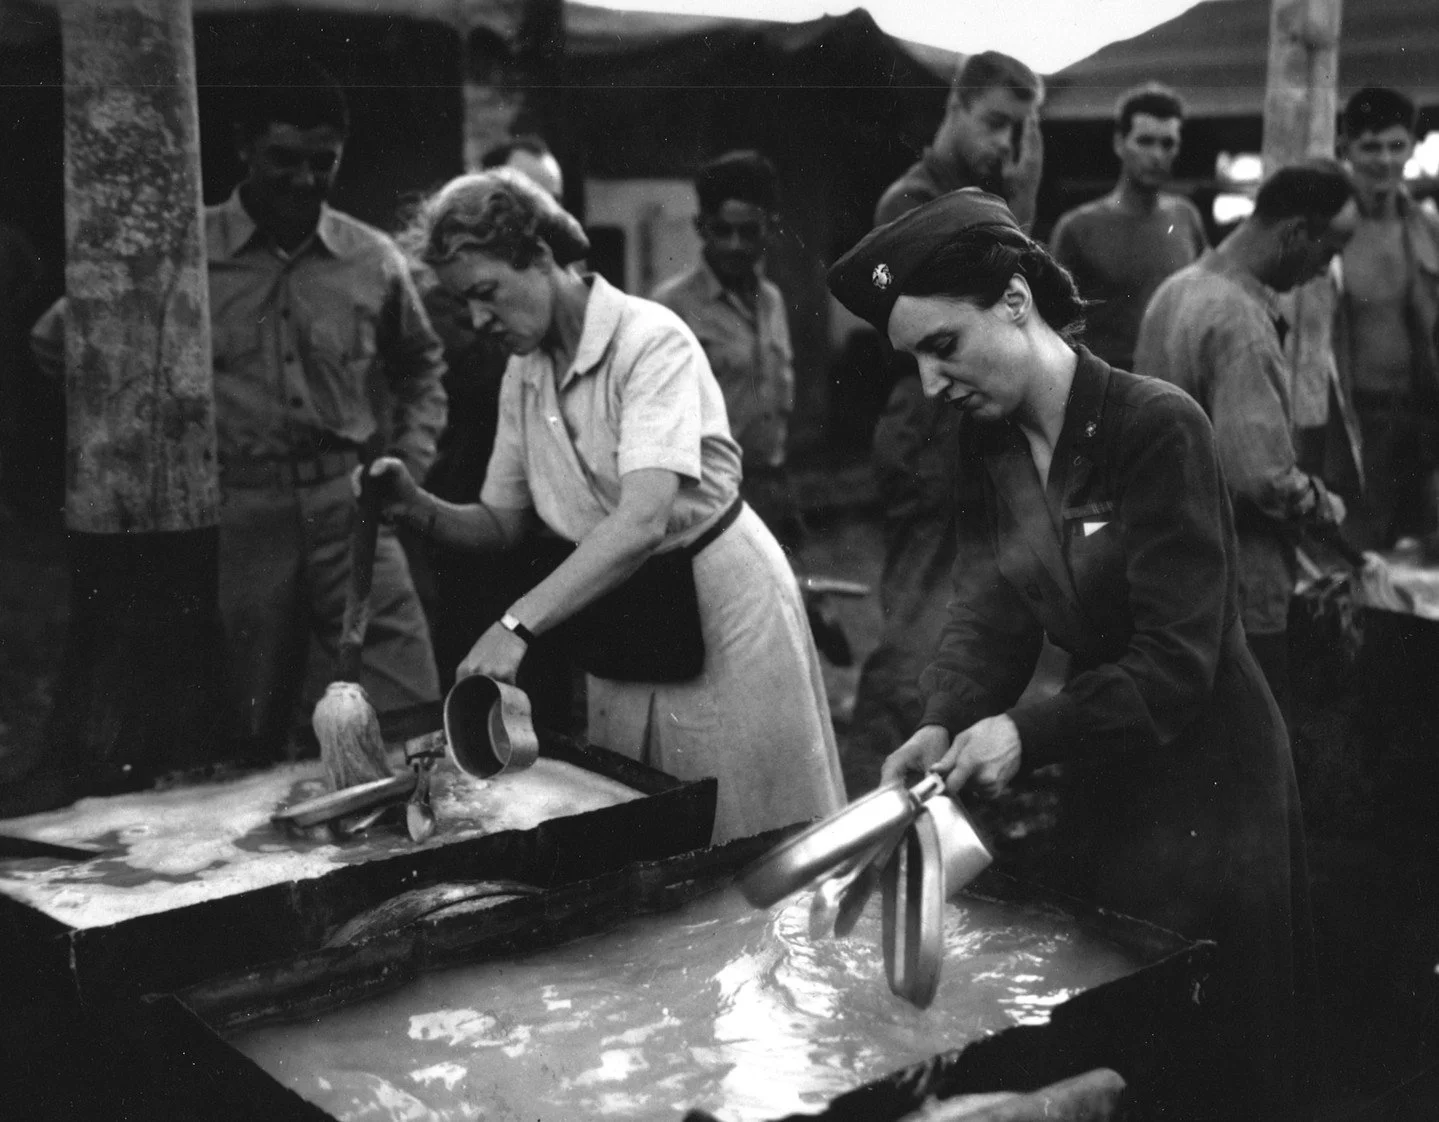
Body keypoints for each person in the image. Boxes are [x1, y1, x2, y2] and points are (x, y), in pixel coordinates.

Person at [830, 188, 1312, 1121]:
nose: (933, 384)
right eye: (914, 360)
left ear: (1015, 301)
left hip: (1212, 776)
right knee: (1120, 1030)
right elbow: (989, 604)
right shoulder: (991, 441)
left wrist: (1019, 731)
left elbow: (1176, 663)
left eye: (944, 347)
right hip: (1105, 764)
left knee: (1221, 1053)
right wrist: (943, 717)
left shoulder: (1154, 426)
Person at [367, 168, 846, 844]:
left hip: (718, 600)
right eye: (465, 303)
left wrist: (514, 625)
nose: (478, 320)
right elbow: (502, 523)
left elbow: (643, 518)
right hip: (622, 609)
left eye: (485, 294)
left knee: (750, 828)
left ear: (538, 257)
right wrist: (414, 505)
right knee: (648, 816)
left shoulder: (650, 342)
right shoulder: (525, 371)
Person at [31, 56, 447, 758]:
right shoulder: (177, 251)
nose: (305, 179)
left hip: (352, 512)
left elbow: (421, 366)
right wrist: (142, 437)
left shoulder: (372, 259)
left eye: (324, 161)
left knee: (409, 703)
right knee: (246, 720)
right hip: (238, 521)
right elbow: (57, 341)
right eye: (284, 157)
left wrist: (409, 460)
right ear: (241, 148)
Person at [844, 51, 1045, 792]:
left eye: (1018, 131)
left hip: (960, 421)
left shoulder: (978, 197)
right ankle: (880, 777)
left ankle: (936, 773)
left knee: (967, 596)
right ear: (953, 108)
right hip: (927, 421)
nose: (1003, 145)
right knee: (918, 613)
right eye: (993, 122)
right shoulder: (914, 203)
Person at [1136, 160, 1357, 718]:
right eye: (1327, 252)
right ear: (1294, 234)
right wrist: (1326, 506)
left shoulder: (1175, 291)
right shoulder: (1240, 322)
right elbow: (1261, 479)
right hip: (1238, 585)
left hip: (1170, 573)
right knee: (1249, 754)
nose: (1320, 272)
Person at [416, 134, 578, 730]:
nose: (542, 219)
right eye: (526, 199)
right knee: (480, 683)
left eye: (549, 204)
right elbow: (477, 370)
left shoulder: (546, 295)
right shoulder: (454, 294)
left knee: (549, 692)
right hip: (479, 507)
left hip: (549, 525)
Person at [652, 150, 801, 546]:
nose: (736, 245)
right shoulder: (670, 307)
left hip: (770, 487)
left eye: (749, 231)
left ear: (770, 228)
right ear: (701, 227)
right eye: (722, 230)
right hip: (707, 496)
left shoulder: (772, 301)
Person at [1317, 87, 1439, 551]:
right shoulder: (1328, 231)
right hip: (1350, 430)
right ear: (1345, 150)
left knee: (1422, 569)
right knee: (1354, 560)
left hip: (1420, 424)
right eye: (1370, 146)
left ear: (1411, 147)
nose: (1384, 160)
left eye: (1395, 145)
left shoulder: (1428, 229)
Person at [1049, 82, 1208, 369]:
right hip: (1109, 385)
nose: (1157, 155)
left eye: (1167, 143)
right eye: (1145, 141)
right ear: (1120, 143)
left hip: (1176, 379)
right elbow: (1055, 327)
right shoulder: (1078, 228)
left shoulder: (1185, 217)